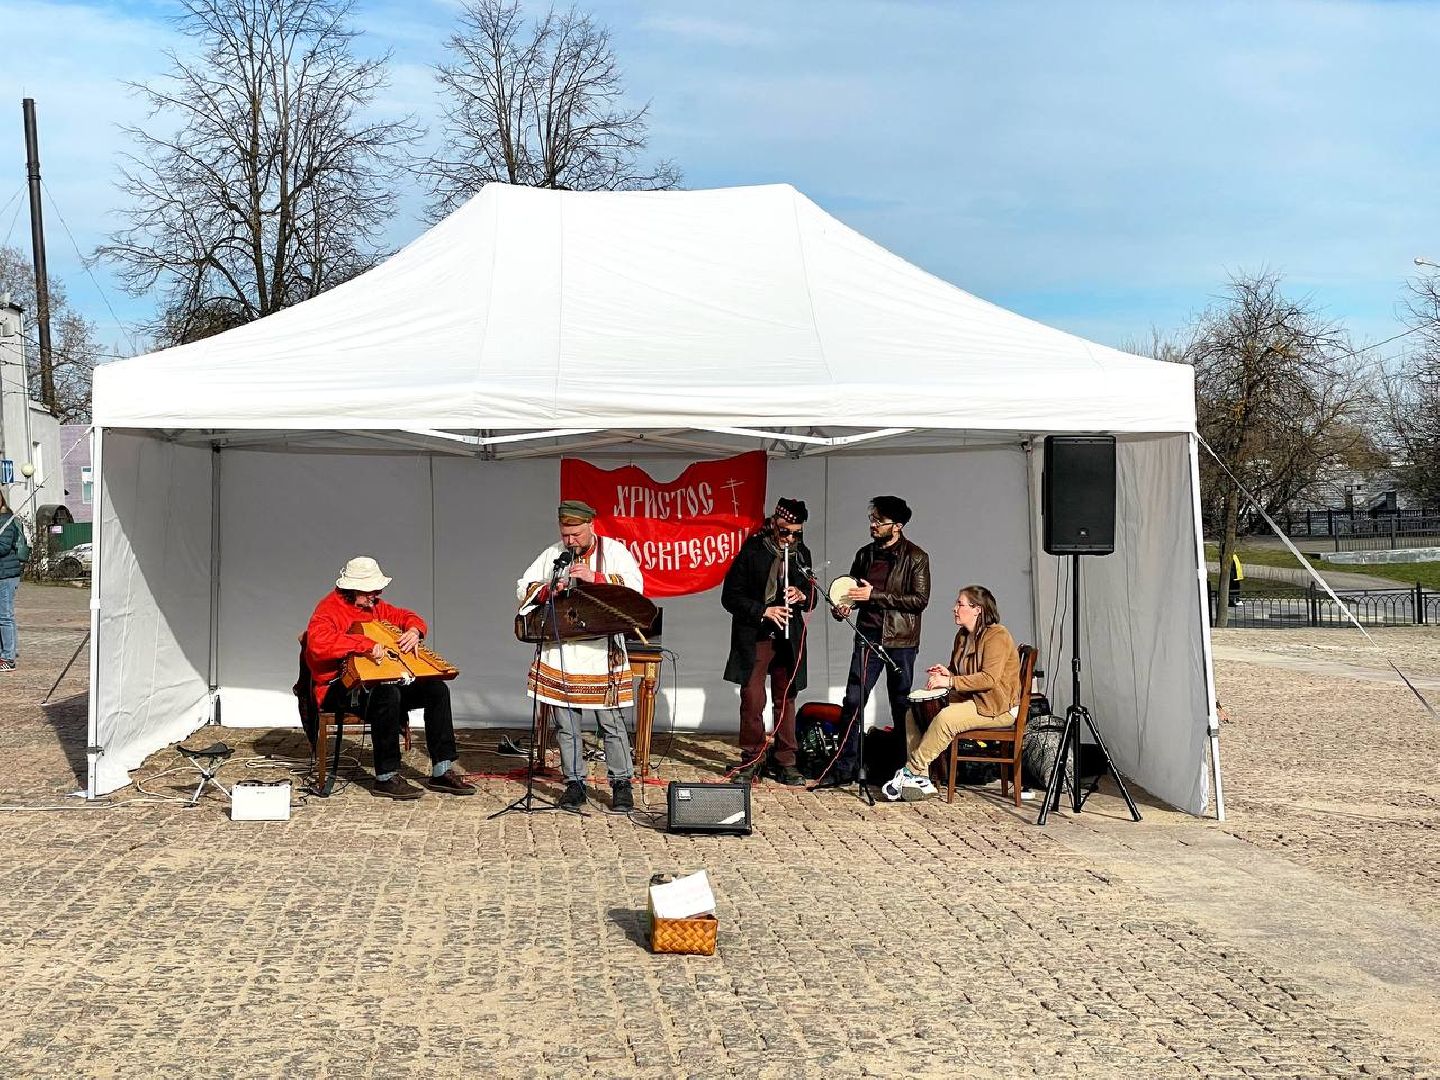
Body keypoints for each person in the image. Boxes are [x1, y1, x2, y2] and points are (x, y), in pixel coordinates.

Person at [304, 556, 475, 800]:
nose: (377, 594)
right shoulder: (328, 609)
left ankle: (442, 770)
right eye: (371, 591)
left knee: (436, 689)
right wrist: (363, 644)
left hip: (375, 683)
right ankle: (386, 777)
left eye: (378, 590)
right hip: (338, 688)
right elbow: (317, 644)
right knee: (387, 693)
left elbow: (408, 616)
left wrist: (415, 631)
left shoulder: (375, 606)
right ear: (353, 589)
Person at [517, 499, 643, 814]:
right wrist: (549, 588)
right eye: (565, 534)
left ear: (591, 526)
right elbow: (523, 586)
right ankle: (574, 783)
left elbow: (637, 588)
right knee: (566, 724)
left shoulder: (613, 552)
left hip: (601, 652)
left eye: (576, 534)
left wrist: (595, 578)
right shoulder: (552, 554)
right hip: (563, 651)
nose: (570, 541)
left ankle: (621, 784)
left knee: (611, 722)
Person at [819, 496, 930, 787]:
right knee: (853, 700)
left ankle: (903, 768)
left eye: (879, 521)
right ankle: (845, 767)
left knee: (900, 704)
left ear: (898, 526)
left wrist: (875, 597)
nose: (873, 525)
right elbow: (851, 591)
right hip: (867, 636)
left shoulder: (916, 557)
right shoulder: (865, 555)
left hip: (901, 640)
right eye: (872, 519)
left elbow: (919, 600)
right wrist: (844, 605)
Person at [882, 585, 1020, 802]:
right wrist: (948, 673)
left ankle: (911, 770)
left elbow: (989, 679)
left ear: (978, 609)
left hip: (996, 706)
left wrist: (949, 681)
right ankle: (922, 780)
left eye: (960, 604)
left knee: (946, 718)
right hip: (973, 699)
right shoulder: (963, 636)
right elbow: (962, 672)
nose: (954, 608)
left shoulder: (997, 636)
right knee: (912, 713)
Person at [720, 498, 818, 785]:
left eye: (797, 533)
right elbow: (730, 597)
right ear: (775, 523)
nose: (791, 538)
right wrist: (764, 610)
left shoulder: (802, 553)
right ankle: (752, 757)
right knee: (752, 697)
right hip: (757, 635)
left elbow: (811, 596)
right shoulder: (752, 550)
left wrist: (801, 596)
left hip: (789, 636)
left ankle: (786, 759)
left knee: (786, 697)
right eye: (786, 531)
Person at [0, 489, 26, 673]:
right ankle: (8, 652)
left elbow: (3, 547)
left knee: (5, 617)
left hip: (6, 575)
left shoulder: (6, 521)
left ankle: (8, 657)